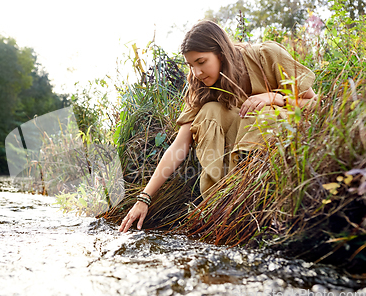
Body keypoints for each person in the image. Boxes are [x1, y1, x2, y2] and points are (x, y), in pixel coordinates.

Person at [118, 20, 317, 233]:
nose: (196, 73)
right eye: (191, 65)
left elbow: (313, 104)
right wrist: (144, 198)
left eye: (201, 62)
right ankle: (220, 200)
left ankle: (254, 197)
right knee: (210, 111)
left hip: (275, 154)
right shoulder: (199, 87)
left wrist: (273, 98)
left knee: (261, 114)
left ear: (221, 53)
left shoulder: (266, 55)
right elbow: (179, 146)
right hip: (231, 160)